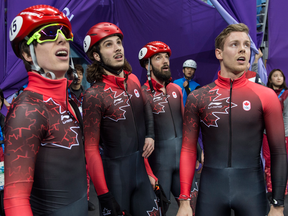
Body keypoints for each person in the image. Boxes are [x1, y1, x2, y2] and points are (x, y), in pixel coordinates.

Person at [176, 23, 287, 216]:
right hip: (211, 190)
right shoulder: (199, 97)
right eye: (234, 44)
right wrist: (184, 200)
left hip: (251, 189)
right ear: (219, 53)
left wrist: (278, 205)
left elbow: (278, 152)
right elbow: (187, 148)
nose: (243, 48)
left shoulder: (266, 96)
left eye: (246, 44)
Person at [4, 5, 87, 216]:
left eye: (64, 33)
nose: (62, 39)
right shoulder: (27, 109)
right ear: (26, 53)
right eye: (49, 33)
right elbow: (15, 199)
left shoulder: (67, 101)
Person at [82, 22, 160, 216]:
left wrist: (150, 136)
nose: (117, 48)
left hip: (142, 172)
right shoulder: (93, 95)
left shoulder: (132, 80)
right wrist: (103, 195)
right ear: (96, 56)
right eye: (108, 44)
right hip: (116, 180)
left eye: (118, 42)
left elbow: (145, 108)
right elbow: (90, 148)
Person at [139, 41, 199, 214]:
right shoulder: (142, 94)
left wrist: (197, 149)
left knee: (191, 210)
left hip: (182, 163)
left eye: (166, 57)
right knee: (159, 212)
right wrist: (148, 171)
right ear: (147, 65)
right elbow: (139, 139)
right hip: (158, 166)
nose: (165, 61)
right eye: (158, 58)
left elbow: (186, 124)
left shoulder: (176, 89)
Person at [263, 69, 288, 202]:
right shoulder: (266, 93)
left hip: (282, 134)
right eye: (275, 76)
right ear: (270, 79)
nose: (279, 78)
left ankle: (282, 189)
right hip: (267, 133)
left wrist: (282, 134)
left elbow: (286, 117)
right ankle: (270, 188)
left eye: (281, 76)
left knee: (282, 161)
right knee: (268, 161)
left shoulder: (287, 94)